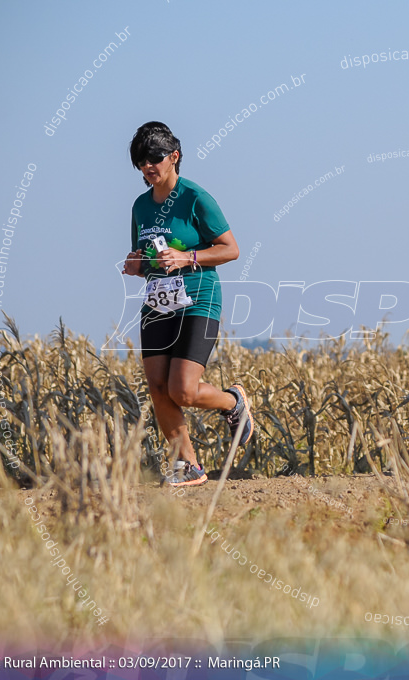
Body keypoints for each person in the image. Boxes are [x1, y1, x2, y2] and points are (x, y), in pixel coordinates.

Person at [122, 122, 252, 487]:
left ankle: (232, 403)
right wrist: (136, 265)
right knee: (158, 387)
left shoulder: (196, 197)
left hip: (197, 299)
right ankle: (188, 466)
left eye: (154, 158)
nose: (147, 166)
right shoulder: (140, 207)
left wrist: (187, 257)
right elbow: (147, 257)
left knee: (183, 390)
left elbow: (231, 249)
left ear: (174, 157)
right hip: (157, 303)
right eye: (140, 161)